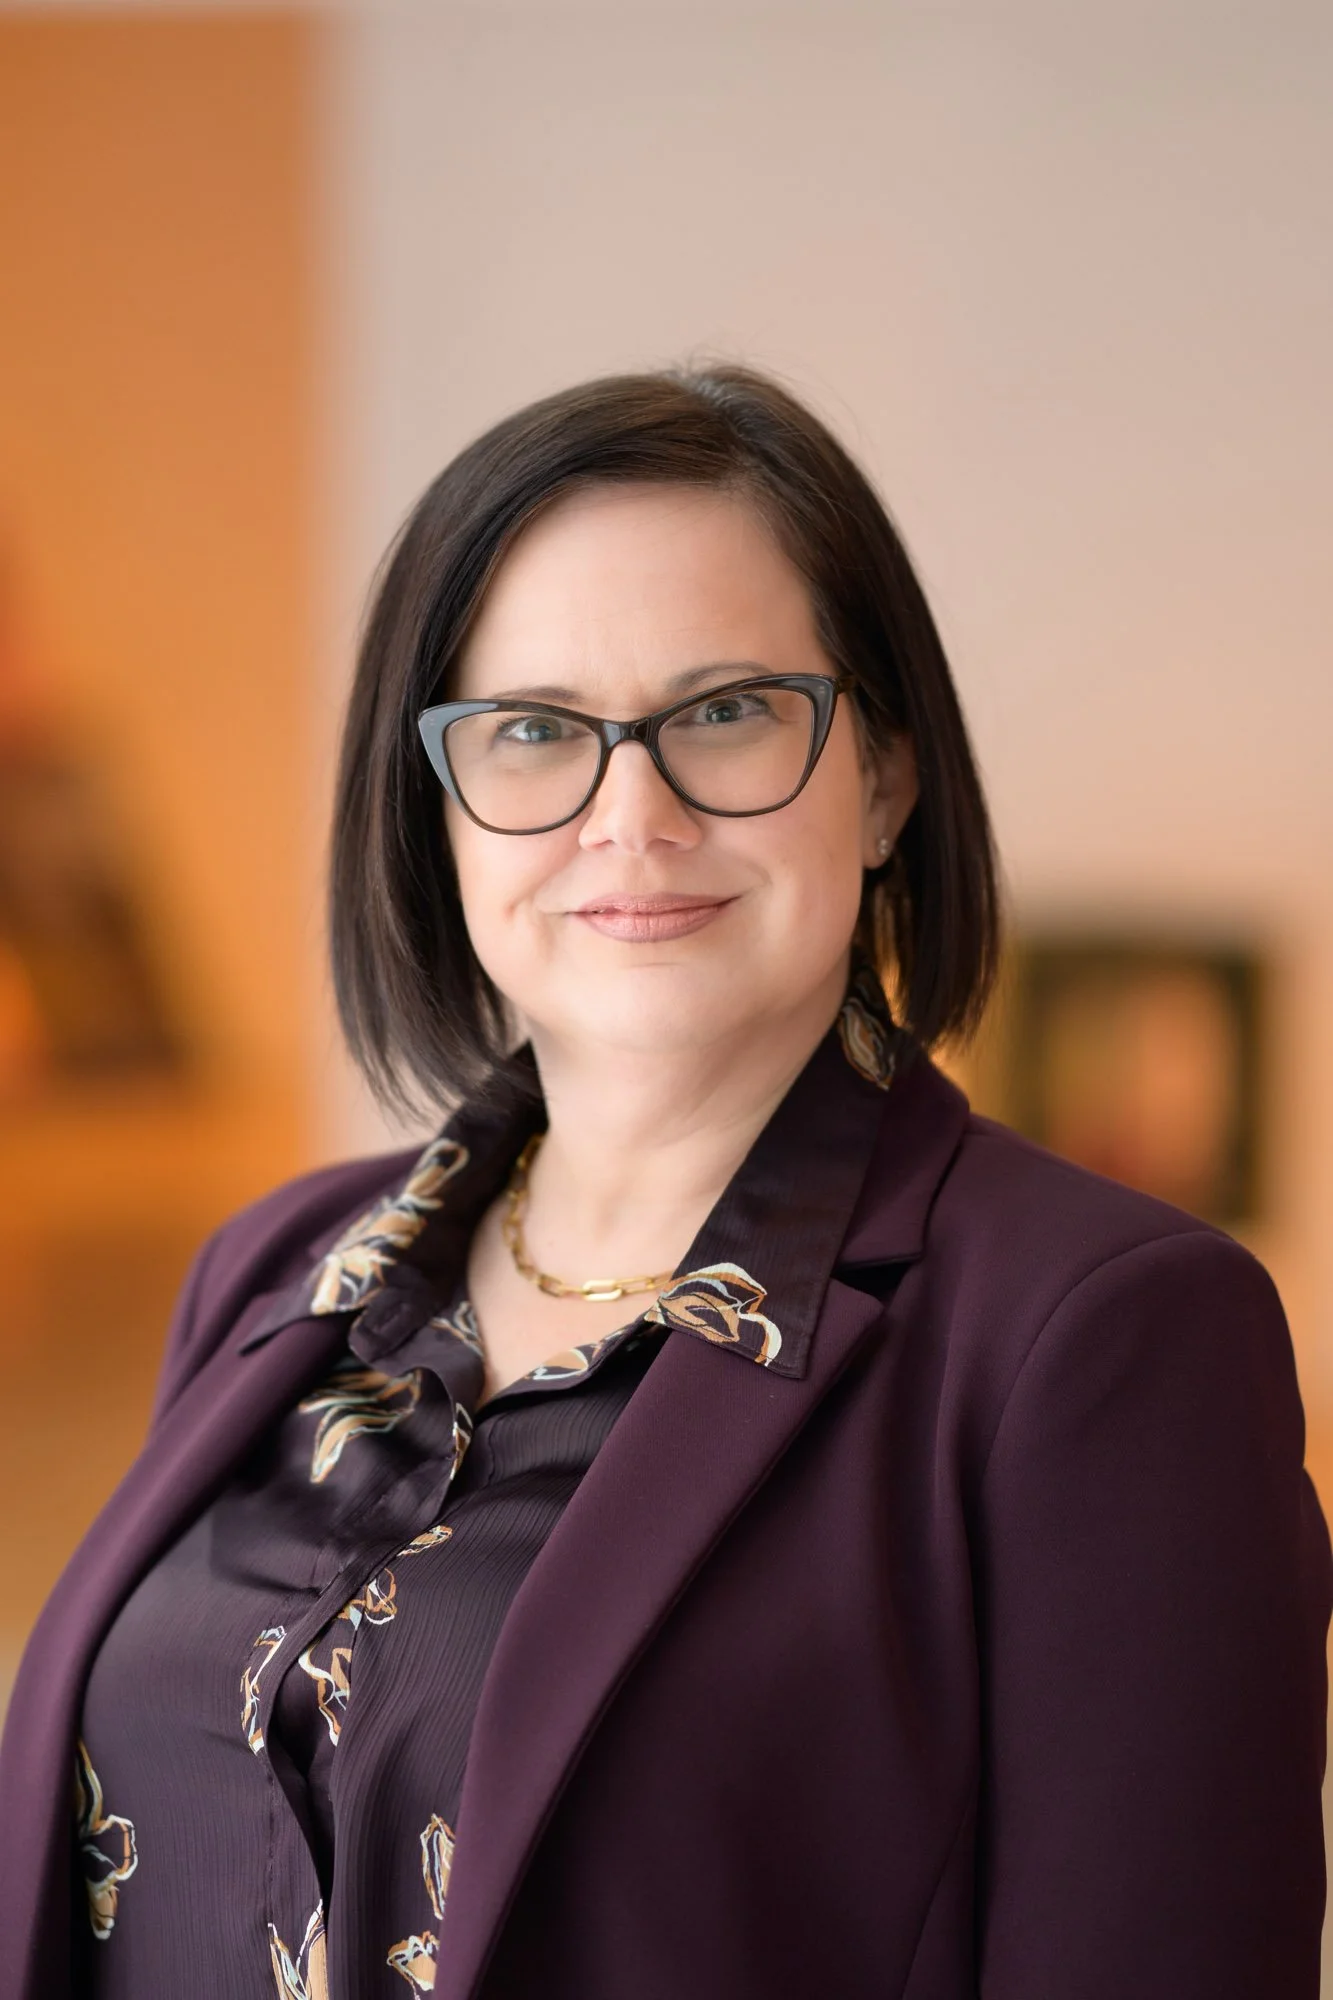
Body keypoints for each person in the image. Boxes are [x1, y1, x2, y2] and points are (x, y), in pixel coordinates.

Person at [0, 364, 1327, 2000]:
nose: (631, 815)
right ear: (443, 809)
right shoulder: (280, 1269)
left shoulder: (1104, 1340)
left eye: (725, 712)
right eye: (536, 731)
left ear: (888, 775)